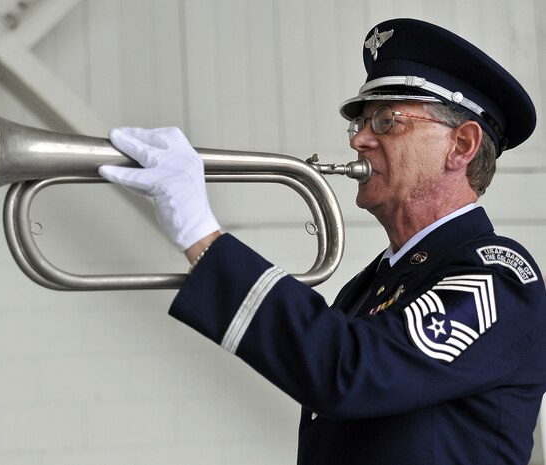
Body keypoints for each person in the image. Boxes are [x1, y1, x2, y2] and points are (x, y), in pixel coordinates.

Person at [99, 18, 546, 465]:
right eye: (361, 124)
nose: (360, 139)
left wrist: (201, 233)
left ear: (461, 145)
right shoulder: (371, 285)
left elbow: (347, 372)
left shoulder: (498, 277)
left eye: (386, 121)